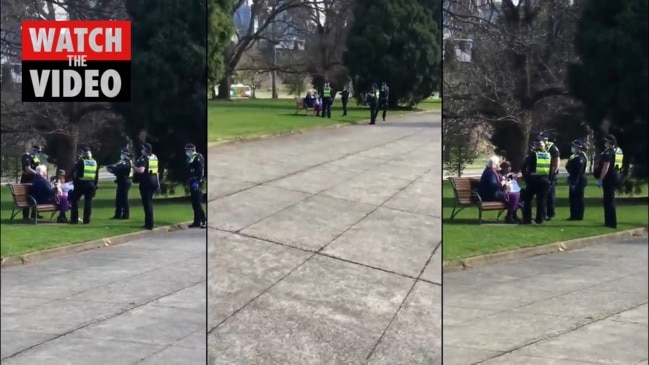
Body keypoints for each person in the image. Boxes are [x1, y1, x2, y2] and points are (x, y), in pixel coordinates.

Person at [594, 134, 623, 228]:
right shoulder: (618, 151)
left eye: (606, 141)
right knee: (610, 200)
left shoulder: (609, 152)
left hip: (609, 178)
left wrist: (600, 179)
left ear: (610, 143)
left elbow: (606, 167)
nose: (605, 143)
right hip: (616, 176)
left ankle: (610, 222)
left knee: (608, 201)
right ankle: (610, 221)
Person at [477, 156, 518, 224]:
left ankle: (513, 216)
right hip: (490, 195)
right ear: (495, 164)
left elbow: (502, 178)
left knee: (517, 195)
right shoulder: (490, 173)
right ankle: (509, 217)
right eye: (498, 163)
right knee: (514, 196)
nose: (499, 164)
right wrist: (502, 183)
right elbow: (493, 186)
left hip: (492, 193)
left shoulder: (491, 171)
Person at [521, 138, 552, 224]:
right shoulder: (548, 155)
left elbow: (524, 167)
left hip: (533, 180)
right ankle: (540, 218)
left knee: (527, 199)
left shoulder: (533, 154)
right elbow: (551, 169)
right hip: (545, 180)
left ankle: (527, 219)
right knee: (542, 200)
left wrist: (526, 177)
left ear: (535, 145)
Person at [133, 142, 160, 230]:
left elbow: (141, 170)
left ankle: (149, 224)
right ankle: (150, 222)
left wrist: (134, 168)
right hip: (154, 180)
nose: (141, 150)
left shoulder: (144, 158)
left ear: (145, 150)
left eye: (143, 149)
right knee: (149, 202)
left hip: (146, 181)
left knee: (146, 203)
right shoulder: (154, 157)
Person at [69, 146, 99, 224]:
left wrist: (75, 182)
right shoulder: (94, 162)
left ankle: (74, 219)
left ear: (83, 153)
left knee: (74, 199)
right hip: (91, 184)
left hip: (81, 184)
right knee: (88, 202)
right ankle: (87, 220)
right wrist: (95, 186)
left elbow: (73, 173)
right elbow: (96, 176)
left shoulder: (80, 162)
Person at [538, 132, 560, 220]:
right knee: (543, 195)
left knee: (550, 194)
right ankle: (543, 213)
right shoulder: (540, 147)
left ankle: (550, 214)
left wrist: (554, 172)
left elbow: (557, 160)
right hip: (543, 173)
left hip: (550, 174)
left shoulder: (552, 147)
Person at [565, 139, 588, 221]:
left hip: (579, 180)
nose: (572, 148)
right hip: (573, 179)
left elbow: (578, 171)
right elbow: (569, 167)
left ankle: (579, 215)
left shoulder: (580, 158)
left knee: (578, 198)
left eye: (574, 146)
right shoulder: (573, 157)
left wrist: (574, 182)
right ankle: (573, 215)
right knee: (572, 199)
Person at [185, 143, 207, 228]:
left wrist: (198, 182)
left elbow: (200, 171)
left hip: (196, 181)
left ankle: (203, 220)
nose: (186, 152)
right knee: (194, 203)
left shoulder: (198, 157)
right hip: (191, 181)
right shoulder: (189, 158)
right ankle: (196, 221)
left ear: (192, 150)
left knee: (197, 202)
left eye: (188, 150)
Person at [107, 147, 133, 220]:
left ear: (126, 154)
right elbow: (115, 169)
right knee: (118, 199)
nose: (121, 155)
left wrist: (112, 169)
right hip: (121, 181)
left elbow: (116, 168)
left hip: (125, 182)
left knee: (124, 199)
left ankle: (125, 215)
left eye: (122, 153)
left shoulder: (126, 162)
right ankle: (117, 214)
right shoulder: (122, 161)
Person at [20, 145, 43, 219]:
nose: (38, 153)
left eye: (40, 152)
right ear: (33, 150)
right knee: (27, 197)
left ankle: (35, 214)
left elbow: (38, 167)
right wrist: (37, 173)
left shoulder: (36, 158)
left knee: (36, 196)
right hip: (26, 181)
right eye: (38, 151)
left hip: (34, 181)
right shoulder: (26, 157)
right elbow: (27, 169)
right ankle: (25, 216)